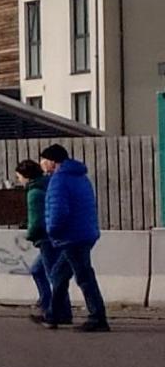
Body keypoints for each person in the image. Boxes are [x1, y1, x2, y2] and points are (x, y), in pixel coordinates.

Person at [40, 141, 108, 333]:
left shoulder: (59, 180)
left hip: (71, 236)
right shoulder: (81, 177)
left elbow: (58, 210)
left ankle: (97, 317)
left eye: (44, 160)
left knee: (84, 276)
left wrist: (52, 231)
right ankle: (54, 314)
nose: (42, 164)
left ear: (53, 162)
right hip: (85, 232)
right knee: (59, 274)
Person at [15, 158, 56, 323]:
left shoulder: (34, 193)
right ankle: (46, 305)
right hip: (53, 235)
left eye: (19, 176)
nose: (18, 180)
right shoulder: (47, 185)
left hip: (45, 238)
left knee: (52, 275)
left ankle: (53, 310)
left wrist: (29, 234)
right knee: (39, 271)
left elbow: (37, 219)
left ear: (26, 176)